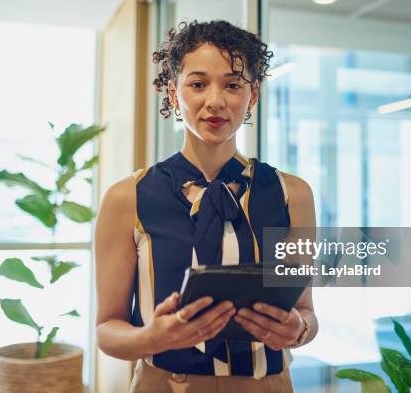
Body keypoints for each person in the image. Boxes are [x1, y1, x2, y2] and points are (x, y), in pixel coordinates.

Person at [94, 20, 318, 392]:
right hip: (165, 384)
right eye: (197, 84)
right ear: (172, 90)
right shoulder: (127, 197)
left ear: (253, 95)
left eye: (233, 84)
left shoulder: (292, 194)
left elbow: (306, 310)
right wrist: (152, 338)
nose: (215, 100)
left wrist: (299, 330)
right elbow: (107, 329)